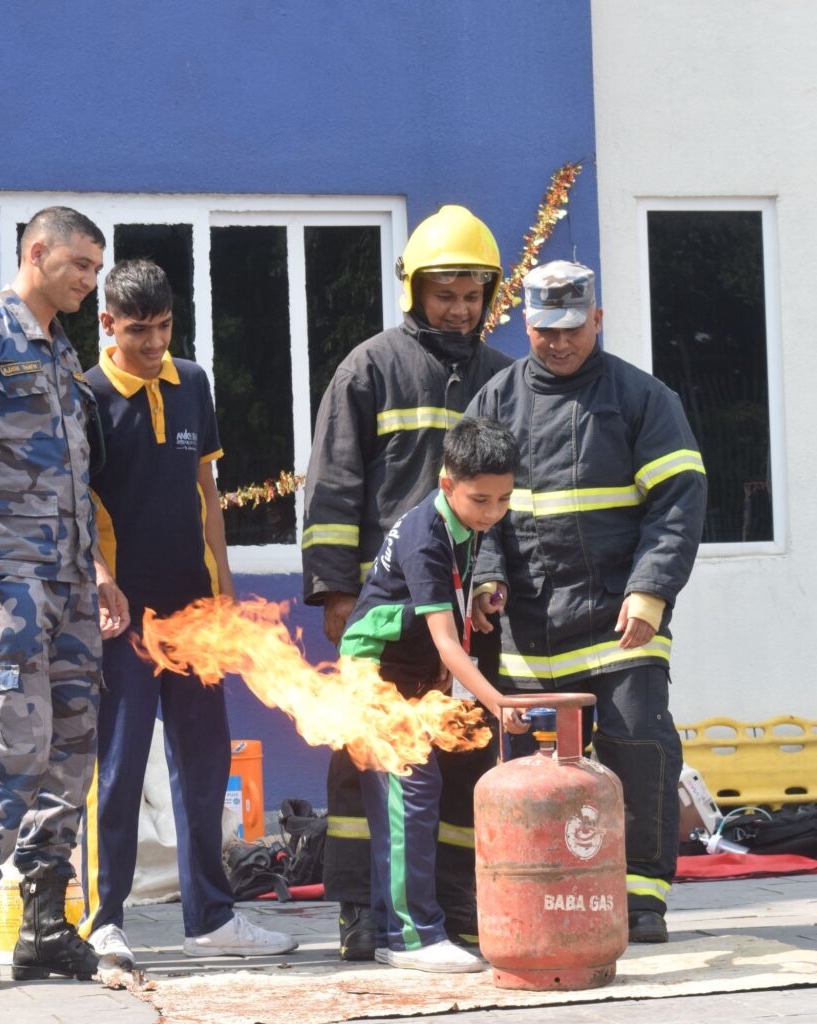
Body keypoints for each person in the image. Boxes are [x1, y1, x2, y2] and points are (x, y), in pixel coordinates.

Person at [0, 206, 129, 985]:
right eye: (80, 266)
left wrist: (98, 572)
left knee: (71, 750)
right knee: (16, 746)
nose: (89, 282)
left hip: (68, 585)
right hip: (4, 583)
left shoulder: (63, 355)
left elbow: (76, 480)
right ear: (37, 253)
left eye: (97, 270)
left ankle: (44, 923)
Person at [468, 260, 708, 944]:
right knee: (522, 772)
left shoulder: (643, 398)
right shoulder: (494, 402)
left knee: (640, 748)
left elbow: (677, 504)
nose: (561, 343)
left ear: (596, 320)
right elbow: (472, 511)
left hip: (619, 626)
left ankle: (640, 901)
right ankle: (534, 897)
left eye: (573, 328)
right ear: (527, 325)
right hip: (526, 634)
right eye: (546, 331)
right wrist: (486, 577)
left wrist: (651, 591)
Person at [302, 205, 514, 959]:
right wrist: (334, 590)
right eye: (445, 293)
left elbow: (497, 503)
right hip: (383, 613)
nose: (459, 308)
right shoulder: (371, 366)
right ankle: (363, 909)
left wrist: (488, 584)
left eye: (471, 294)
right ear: (415, 291)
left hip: (457, 612)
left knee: (456, 756)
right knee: (368, 761)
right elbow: (331, 486)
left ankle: (450, 905)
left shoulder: (500, 376)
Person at [77, 258, 298, 967]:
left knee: (204, 766)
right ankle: (104, 920)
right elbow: (76, 504)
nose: (153, 344)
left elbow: (207, 489)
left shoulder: (193, 382)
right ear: (107, 324)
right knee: (118, 766)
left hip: (196, 610)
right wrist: (102, 578)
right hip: (125, 619)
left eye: (164, 327)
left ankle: (211, 916)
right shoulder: (84, 397)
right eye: (138, 331)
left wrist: (226, 589)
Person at [338, 416, 529, 973]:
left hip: (411, 674)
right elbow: (447, 645)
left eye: (503, 500)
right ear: (447, 484)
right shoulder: (426, 536)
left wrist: (473, 601)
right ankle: (412, 937)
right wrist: (498, 704)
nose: (492, 512)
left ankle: (397, 925)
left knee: (415, 793)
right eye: (481, 500)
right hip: (377, 675)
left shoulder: (462, 525)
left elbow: (436, 608)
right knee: (408, 794)